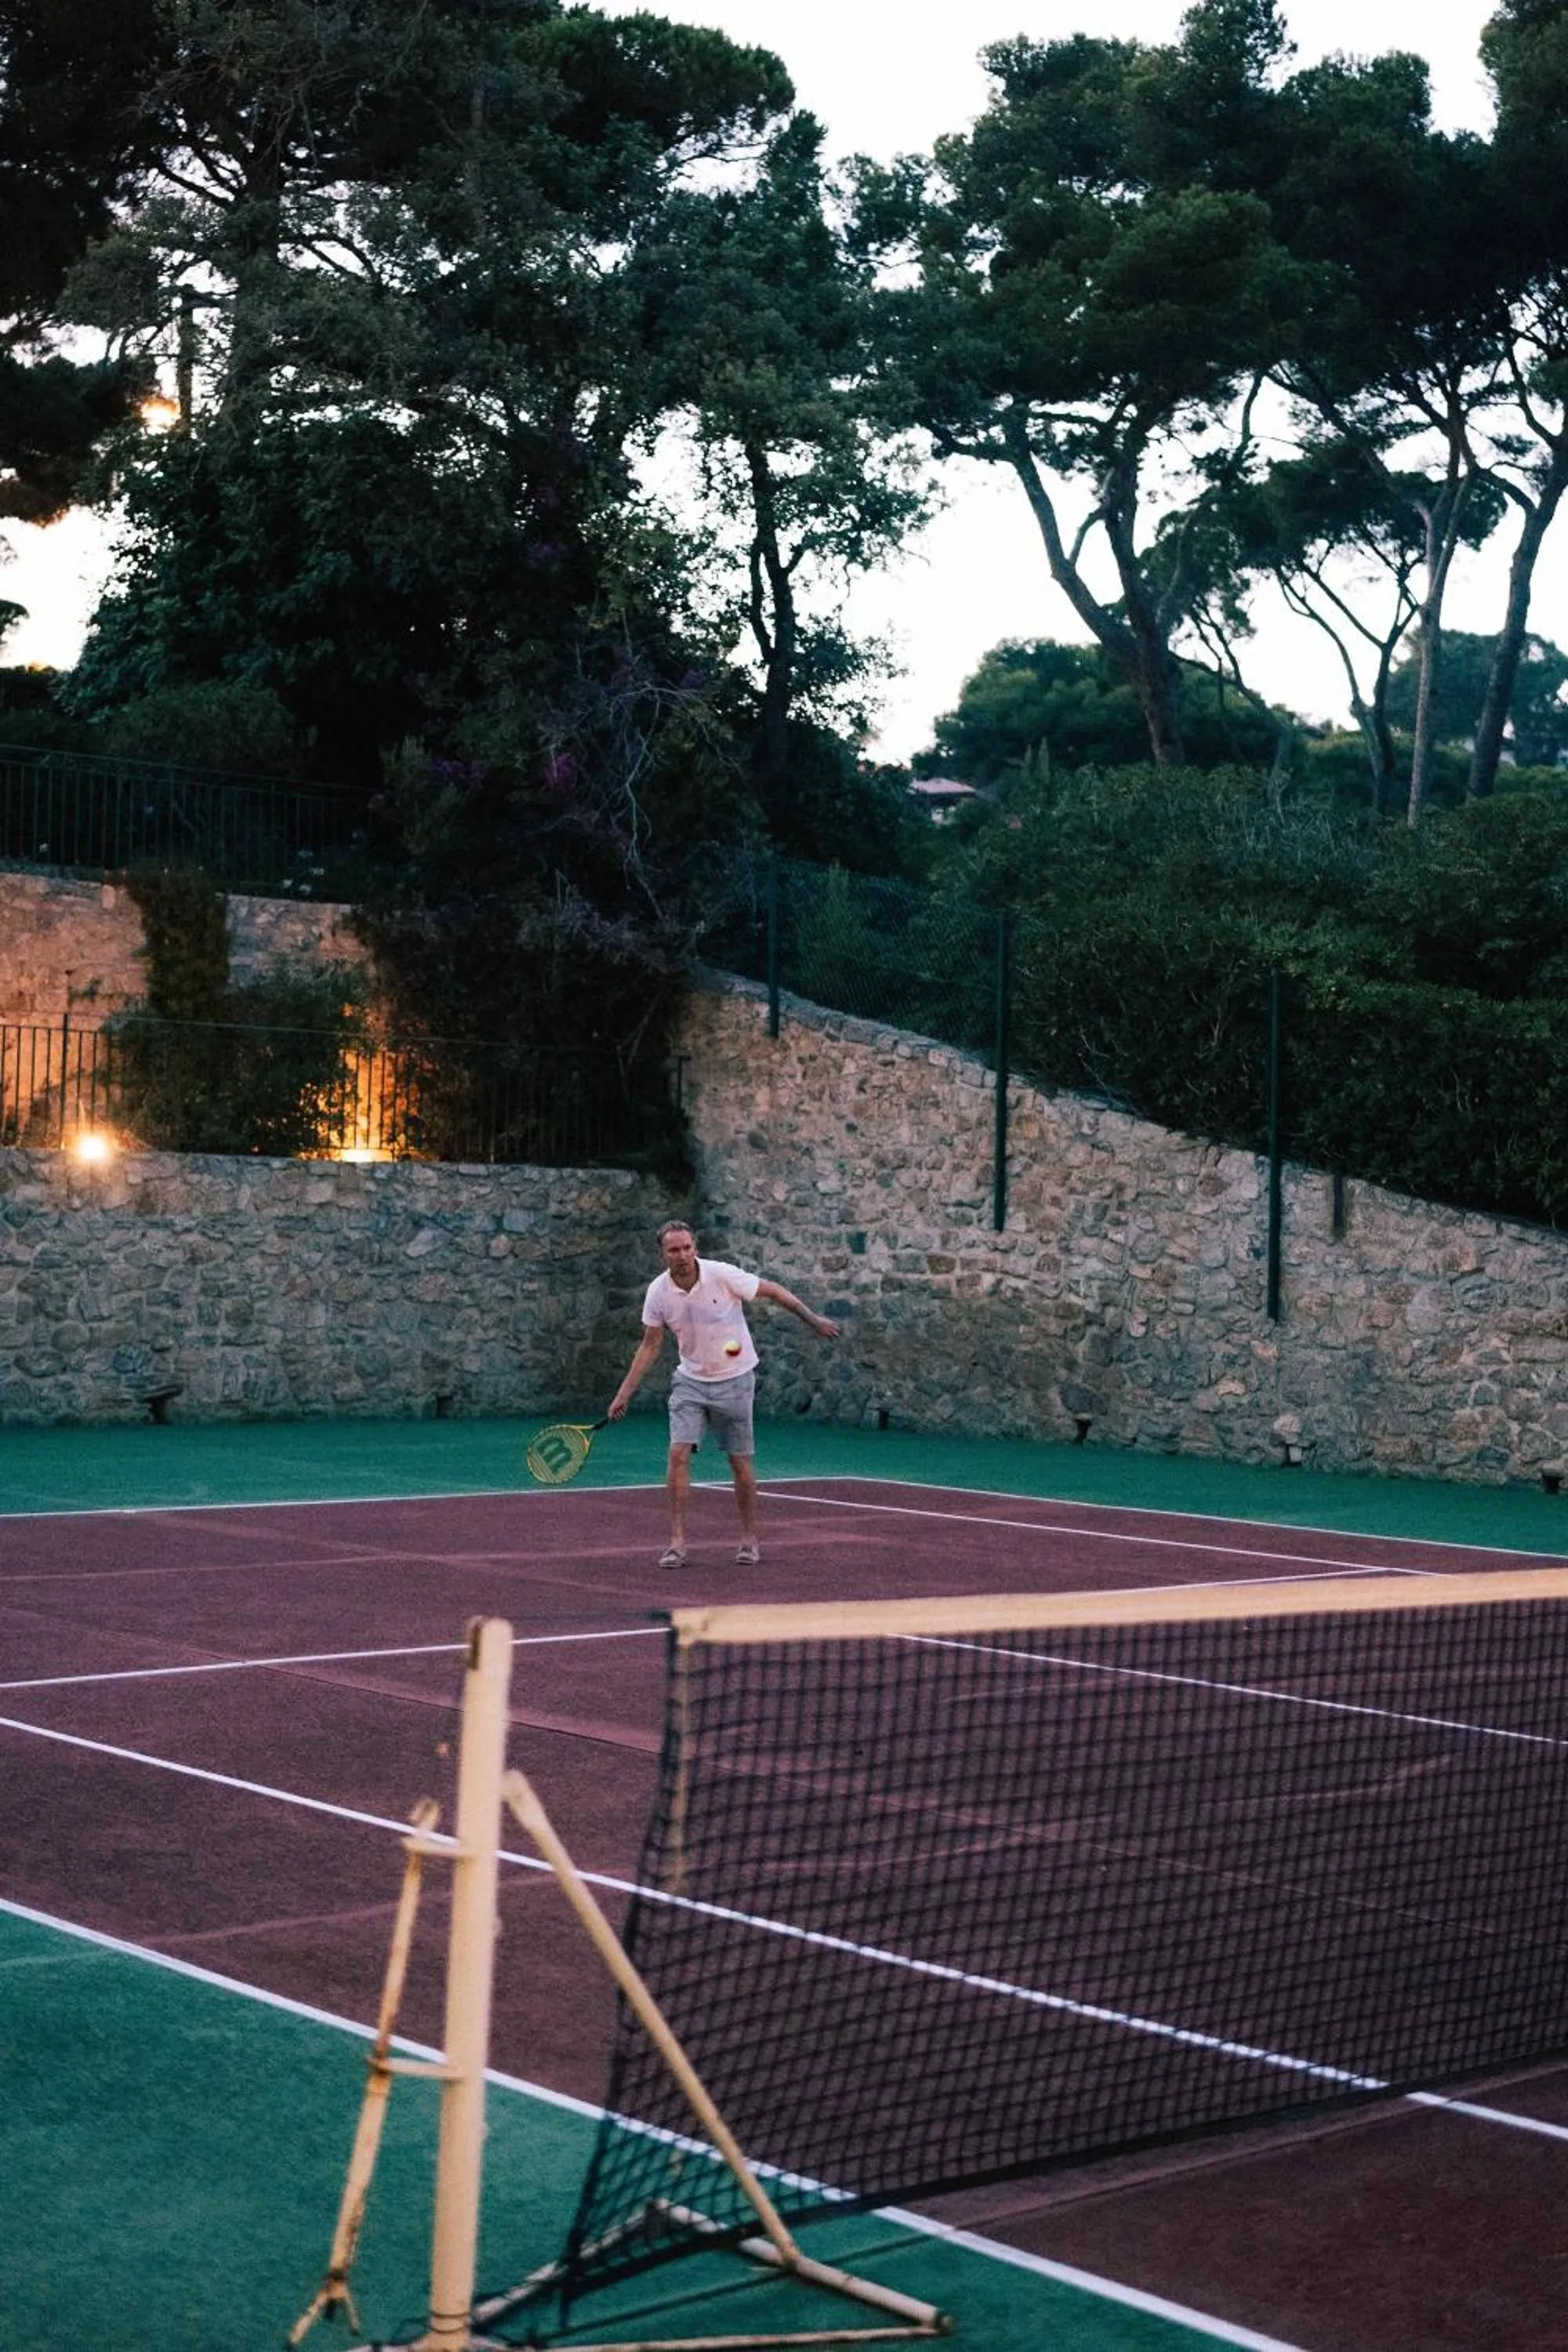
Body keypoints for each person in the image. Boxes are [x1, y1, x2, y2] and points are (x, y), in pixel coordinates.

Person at [607, 1220, 840, 1569]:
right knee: (678, 1454)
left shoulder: (722, 1275)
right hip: (690, 1382)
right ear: (663, 1255)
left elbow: (773, 1290)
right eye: (674, 1250)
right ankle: (677, 1544)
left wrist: (813, 1319)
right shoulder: (658, 1293)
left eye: (687, 1248)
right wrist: (623, 1393)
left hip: (736, 1380)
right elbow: (650, 1345)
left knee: (739, 1462)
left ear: (695, 1248)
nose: (683, 1255)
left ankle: (749, 1540)